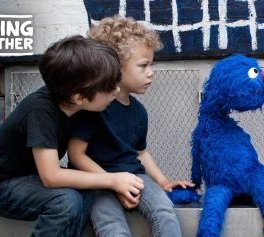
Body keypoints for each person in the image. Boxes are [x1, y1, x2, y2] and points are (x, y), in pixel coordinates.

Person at [0, 35, 143, 237]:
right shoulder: (41, 111)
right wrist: (112, 181)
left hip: (35, 177)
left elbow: (78, 159)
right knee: (66, 201)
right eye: (109, 88)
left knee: (87, 192)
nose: (116, 91)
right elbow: (51, 177)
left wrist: (117, 184)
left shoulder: (80, 104)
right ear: (79, 97)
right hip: (2, 186)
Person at [68, 15, 193, 237]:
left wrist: (164, 181)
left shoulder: (139, 112)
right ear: (114, 65)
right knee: (111, 225)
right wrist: (112, 182)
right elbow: (76, 155)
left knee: (164, 211)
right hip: (96, 179)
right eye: (143, 65)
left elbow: (140, 152)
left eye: (150, 65)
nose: (150, 72)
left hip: (134, 177)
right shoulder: (93, 107)